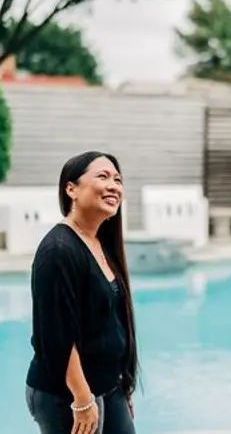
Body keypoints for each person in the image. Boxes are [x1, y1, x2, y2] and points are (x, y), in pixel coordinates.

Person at [25, 151, 139, 434]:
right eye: (103, 176)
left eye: (118, 179)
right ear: (71, 188)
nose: (114, 185)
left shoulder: (99, 242)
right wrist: (82, 399)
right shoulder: (58, 250)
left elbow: (110, 322)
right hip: (68, 393)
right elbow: (55, 335)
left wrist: (123, 385)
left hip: (108, 386)